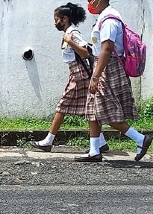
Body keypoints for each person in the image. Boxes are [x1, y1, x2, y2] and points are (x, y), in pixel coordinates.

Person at [74, 0, 152, 162]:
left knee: (107, 111)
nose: (89, 2)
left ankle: (139, 139)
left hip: (108, 68)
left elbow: (107, 49)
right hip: (103, 65)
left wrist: (96, 76)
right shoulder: (105, 17)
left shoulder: (110, 20)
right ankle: (95, 151)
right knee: (93, 109)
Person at [31, 2, 109, 154]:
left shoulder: (72, 34)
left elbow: (86, 53)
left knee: (62, 106)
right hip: (76, 73)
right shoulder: (70, 33)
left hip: (79, 75)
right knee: (89, 109)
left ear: (64, 19)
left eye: (56, 19)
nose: (55, 22)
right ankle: (101, 142)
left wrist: (70, 41)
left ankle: (48, 141)